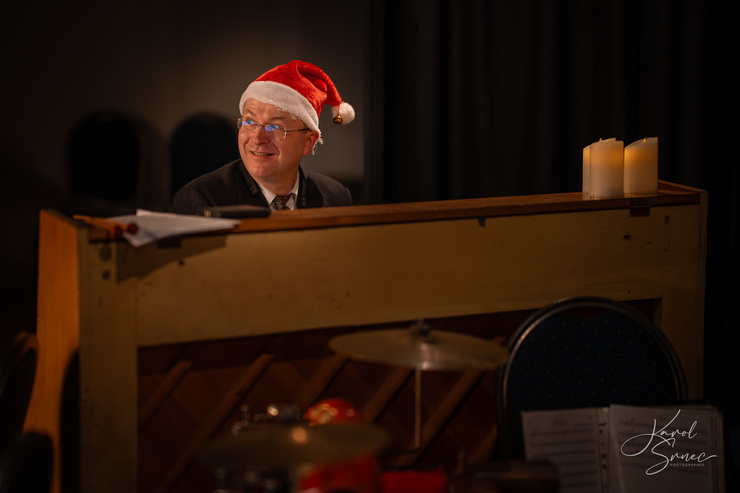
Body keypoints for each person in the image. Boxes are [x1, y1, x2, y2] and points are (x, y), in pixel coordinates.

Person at [173, 60, 355, 214]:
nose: (257, 138)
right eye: (250, 122)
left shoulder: (336, 197)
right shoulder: (203, 199)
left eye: (275, 127)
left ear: (308, 141)